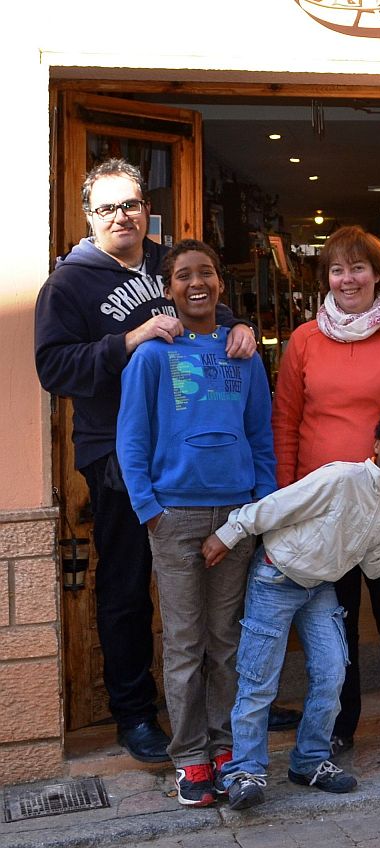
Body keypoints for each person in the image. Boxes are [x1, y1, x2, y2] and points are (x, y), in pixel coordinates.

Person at [33, 158, 257, 764]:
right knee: (129, 589)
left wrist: (239, 329)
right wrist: (126, 341)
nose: (122, 216)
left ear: (145, 206)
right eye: (107, 208)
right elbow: (52, 369)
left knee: (214, 602)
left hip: (193, 460)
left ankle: (224, 713)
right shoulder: (69, 283)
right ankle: (135, 715)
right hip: (119, 456)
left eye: (130, 204)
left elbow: (205, 304)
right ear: (88, 216)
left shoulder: (167, 262)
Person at [201, 404, 380, 810]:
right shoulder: (342, 476)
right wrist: (230, 532)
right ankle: (244, 771)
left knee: (331, 673)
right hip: (276, 578)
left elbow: (377, 567)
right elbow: (280, 505)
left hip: (319, 588)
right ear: (377, 443)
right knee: (259, 681)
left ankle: (309, 760)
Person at [273, 225, 380, 766]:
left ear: (378, 275)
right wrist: (284, 505)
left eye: (359, 268)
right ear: (327, 278)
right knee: (332, 623)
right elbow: (285, 423)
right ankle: (336, 726)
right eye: (337, 270)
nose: (348, 279)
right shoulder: (304, 340)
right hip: (323, 511)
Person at [116, 239, 276, 807]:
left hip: (235, 514)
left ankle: (229, 746)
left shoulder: (243, 353)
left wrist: (261, 508)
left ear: (221, 284)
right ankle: (190, 758)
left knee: (226, 640)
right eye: (183, 275)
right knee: (184, 643)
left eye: (206, 272)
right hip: (175, 516)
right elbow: (131, 438)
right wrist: (150, 511)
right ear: (168, 289)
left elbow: (261, 435)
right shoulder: (152, 356)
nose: (197, 282)